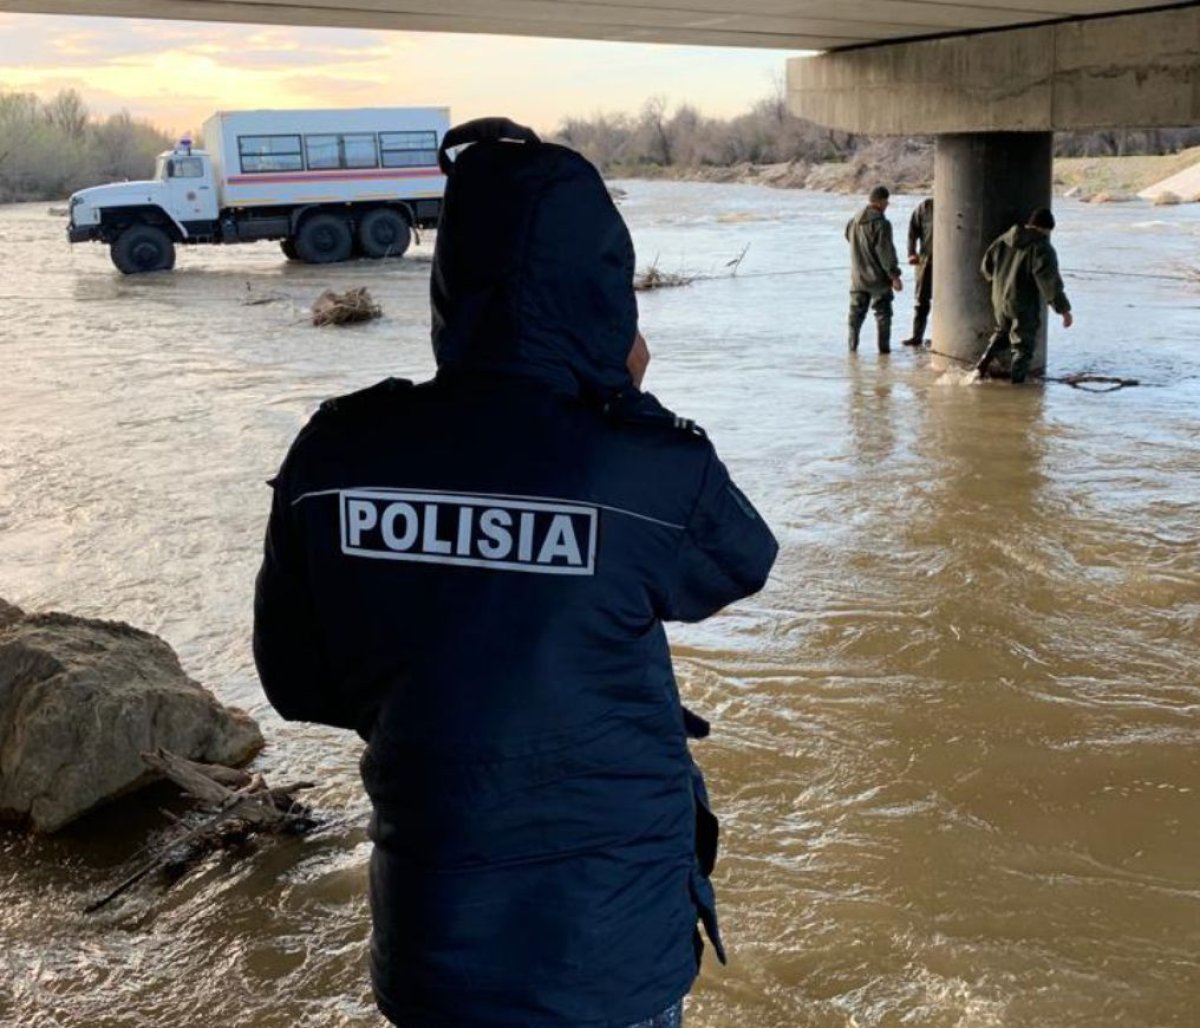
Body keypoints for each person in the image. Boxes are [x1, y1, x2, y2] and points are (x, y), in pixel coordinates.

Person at [253, 118, 778, 1028]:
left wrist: (449, 667)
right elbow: (738, 565)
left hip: (433, 944)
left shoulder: (340, 448)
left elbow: (297, 682)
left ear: (450, 282)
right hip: (609, 951)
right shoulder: (642, 467)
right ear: (605, 286)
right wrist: (620, 394)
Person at [975, 206, 1073, 383]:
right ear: (1046, 228)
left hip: (999, 299)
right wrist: (1063, 310)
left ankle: (982, 364)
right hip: (1023, 303)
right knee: (1023, 346)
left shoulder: (1003, 240)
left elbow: (986, 267)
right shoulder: (1041, 247)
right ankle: (1017, 387)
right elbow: (1049, 282)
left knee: (1002, 332)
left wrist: (1000, 283)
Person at [845, 184, 903, 354]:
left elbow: (848, 237)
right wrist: (895, 276)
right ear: (880, 202)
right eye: (887, 202)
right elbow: (886, 253)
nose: (887, 206)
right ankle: (884, 354)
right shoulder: (882, 224)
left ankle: (852, 350)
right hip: (878, 280)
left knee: (855, 315)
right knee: (883, 314)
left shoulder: (853, 220)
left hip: (858, 278)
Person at [901, 197, 933, 346]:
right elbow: (912, 231)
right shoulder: (925, 207)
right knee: (921, 300)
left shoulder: (955, 203)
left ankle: (940, 336)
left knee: (945, 301)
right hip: (925, 261)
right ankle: (917, 336)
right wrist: (911, 252)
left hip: (948, 262)